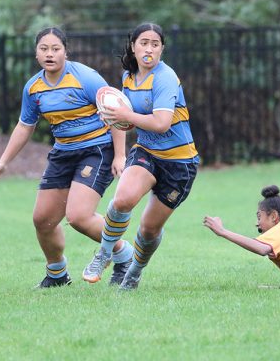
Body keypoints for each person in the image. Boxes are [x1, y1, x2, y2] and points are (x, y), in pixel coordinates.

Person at [0, 27, 133, 288]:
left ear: (65, 51)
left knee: (78, 216)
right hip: (63, 153)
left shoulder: (85, 77)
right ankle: (57, 274)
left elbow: (115, 112)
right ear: (36, 53)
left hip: (96, 150)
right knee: (43, 219)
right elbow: (24, 126)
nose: (50, 54)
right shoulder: (33, 88)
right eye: (44, 49)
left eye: (55, 49)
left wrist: (120, 155)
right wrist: (3, 162)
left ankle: (125, 255)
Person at [82, 23, 200, 290]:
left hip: (180, 163)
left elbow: (161, 123)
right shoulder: (128, 76)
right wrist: (113, 117)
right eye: (144, 43)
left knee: (148, 230)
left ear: (162, 49)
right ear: (133, 47)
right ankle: (104, 254)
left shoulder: (165, 77)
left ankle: (134, 272)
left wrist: (125, 116)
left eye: (155, 44)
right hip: (147, 152)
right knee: (122, 200)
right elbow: (129, 121)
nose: (149, 49)